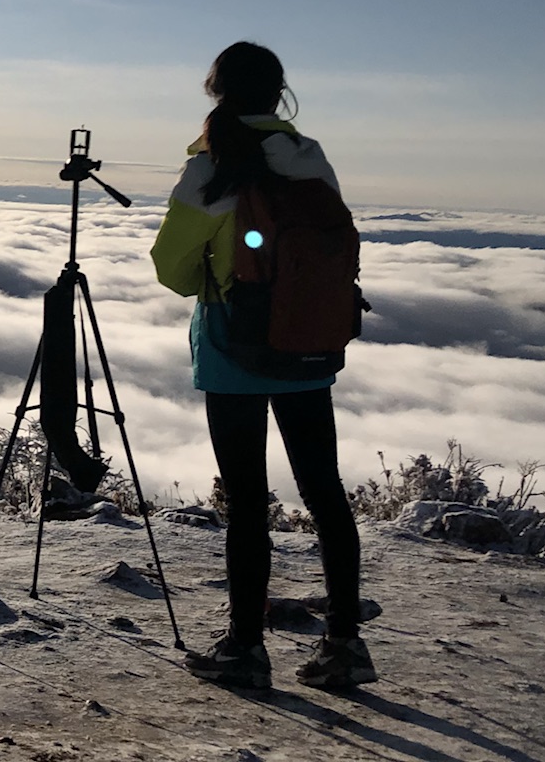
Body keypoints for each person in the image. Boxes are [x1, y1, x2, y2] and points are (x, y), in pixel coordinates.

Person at [150, 41, 377, 692]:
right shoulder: (308, 156)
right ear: (281, 95)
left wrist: (214, 279)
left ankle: (245, 650)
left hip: (235, 343)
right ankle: (345, 645)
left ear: (216, 91)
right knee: (325, 491)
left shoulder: (211, 165)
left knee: (248, 502)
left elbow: (170, 266)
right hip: (310, 339)